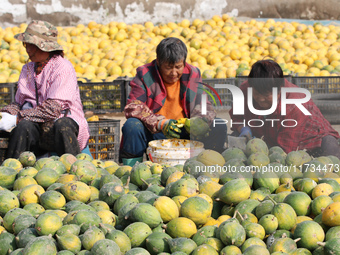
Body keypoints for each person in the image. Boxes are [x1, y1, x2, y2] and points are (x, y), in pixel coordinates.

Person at [120, 37, 227, 166]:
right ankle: (132, 171)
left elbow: (205, 106)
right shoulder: (145, 74)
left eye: (178, 67)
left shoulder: (193, 73)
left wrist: (197, 121)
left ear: (184, 63)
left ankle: (210, 166)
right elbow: (133, 106)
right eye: (168, 67)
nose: (174, 73)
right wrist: (160, 123)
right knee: (132, 125)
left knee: (218, 124)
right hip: (156, 132)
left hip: (185, 132)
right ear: (159, 62)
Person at [0, 20, 90, 158]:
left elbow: (53, 109)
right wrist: (6, 113)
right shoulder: (28, 69)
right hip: (38, 126)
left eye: (32, 46)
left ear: (45, 47)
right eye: (26, 45)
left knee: (63, 125)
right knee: (23, 127)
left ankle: (74, 172)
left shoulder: (62, 67)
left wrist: (17, 118)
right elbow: (19, 102)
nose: (27, 50)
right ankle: (12, 171)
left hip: (61, 125)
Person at [229, 59, 340, 158]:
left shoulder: (295, 104)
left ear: (280, 90)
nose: (261, 99)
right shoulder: (244, 90)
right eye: (257, 93)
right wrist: (243, 128)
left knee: (330, 155)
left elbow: (285, 149)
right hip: (267, 137)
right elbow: (236, 117)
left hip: (307, 140)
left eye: (267, 95)